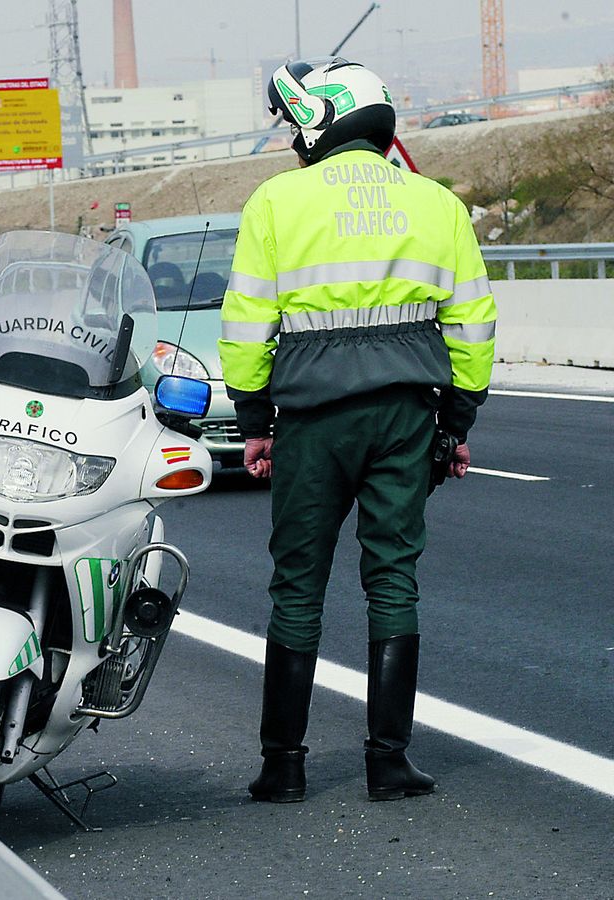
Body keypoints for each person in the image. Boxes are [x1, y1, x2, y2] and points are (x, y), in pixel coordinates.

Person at [217, 58, 497, 804]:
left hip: (311, 420)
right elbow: (473, 322)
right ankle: (388, 762)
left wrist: (254, 423)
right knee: (394, 580)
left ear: (322, 119)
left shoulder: (276, 201)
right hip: (407, 417)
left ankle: (283, 767)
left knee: (298, 587)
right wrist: (456, 421)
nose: (290, 140)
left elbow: (247, 325)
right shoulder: (437, 203)